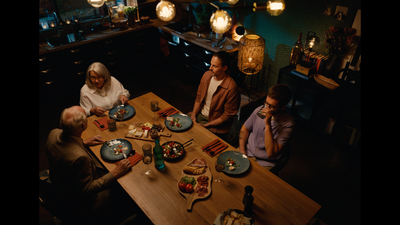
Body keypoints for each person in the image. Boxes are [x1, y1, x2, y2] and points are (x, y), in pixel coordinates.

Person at [45, 106, 139, 224]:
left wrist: (82, 143)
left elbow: (65, 150)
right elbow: (86, 189)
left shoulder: (53, 132)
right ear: (83, 126)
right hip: (78, 202)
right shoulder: (79, 157)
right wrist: (116, 172)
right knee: (120, 187)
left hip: (59, 182)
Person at [238, 84, 295, 170]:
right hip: (247, 151)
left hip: (265, 162)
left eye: (272, 106)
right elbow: (245, 128)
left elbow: (271, 152)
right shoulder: (259, 109)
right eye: (266, 103)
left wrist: (268, 124)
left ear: (283, 107)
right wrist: (242, 150)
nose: (266, 108)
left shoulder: (288, 124)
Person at [189, 51, 240, 139]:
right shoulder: (206, 76)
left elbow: (227, 116)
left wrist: (207, 125)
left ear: (224, 68)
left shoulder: (231, 88)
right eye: (211, 64)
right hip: (199, 115)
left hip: (215, 125)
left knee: (200, 141)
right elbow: (199, 97)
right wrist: (193, 115)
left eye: (215, 66)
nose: (210, 68)